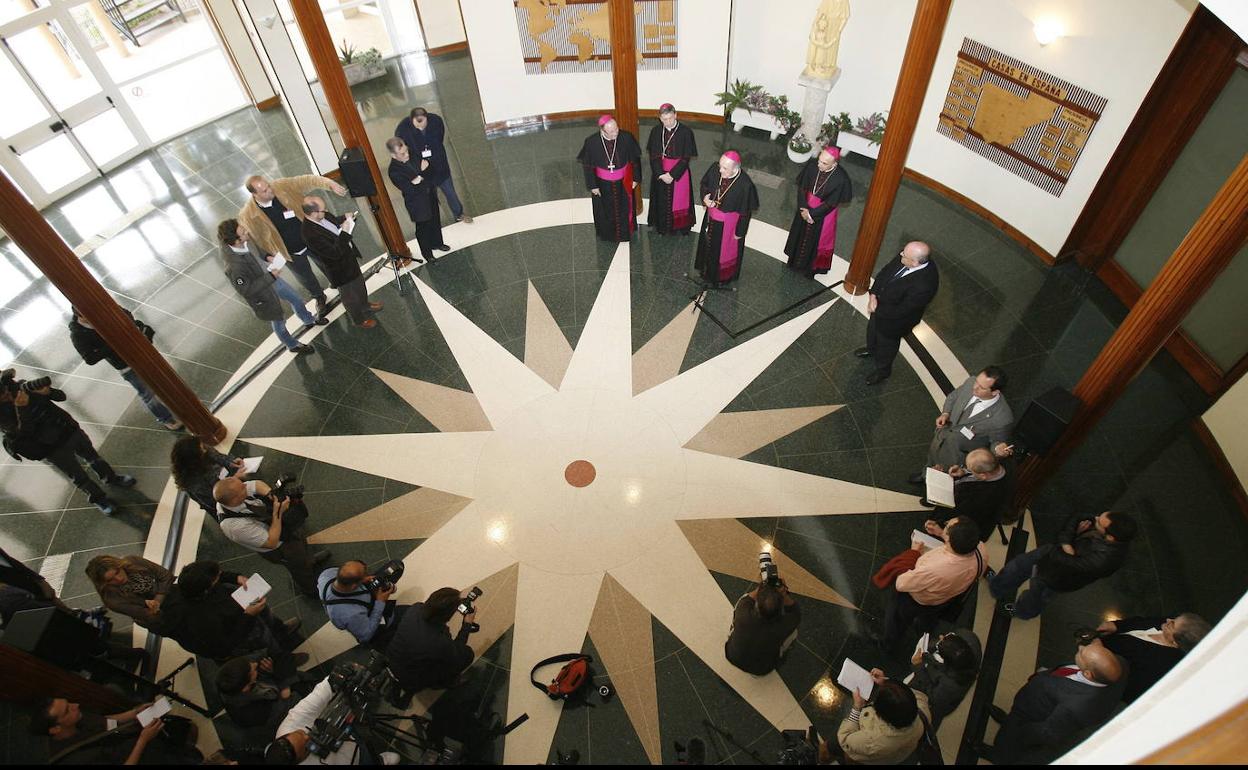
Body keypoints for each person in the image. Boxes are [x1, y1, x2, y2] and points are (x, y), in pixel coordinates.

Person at [0, 369, 134, 515]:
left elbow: (61, 396)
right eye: (2, 394)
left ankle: (110, 477)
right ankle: (99, 499)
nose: (7, 394)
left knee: (93, 457)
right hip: (51, 448)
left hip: (69, 430)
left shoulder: (22, 387)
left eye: (6, 389)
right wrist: (22, 408)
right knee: (78, 476)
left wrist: (48, 392)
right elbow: (23, 433)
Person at [984, 637, 1126, 764]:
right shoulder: (1119, 664)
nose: (1080, 647)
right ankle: (1008, 721)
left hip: (1032, 719)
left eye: (1082, 654)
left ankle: (997, 756)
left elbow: (1046, 732)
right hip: (1030, 704)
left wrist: (1021, 731)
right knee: (1011, 723)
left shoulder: (1076, 707)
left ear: (1088, 674)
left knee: (1010, 742)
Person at [987, 510, 1137, 620]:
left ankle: (1021, 611)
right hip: (1050, 554)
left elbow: (1066, 561)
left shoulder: (1106, 560)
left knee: (1036, 596)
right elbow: (1078, 515)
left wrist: (1067, 542)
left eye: (1099, 522)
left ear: (1110, 537)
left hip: (1056, 578)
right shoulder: (1103, 526)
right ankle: (997, 586)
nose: (1095, 518)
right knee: (1017, 566)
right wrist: (1068, 541)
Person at [239, 173, 349, 317]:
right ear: (254, 194)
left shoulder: (281, 186)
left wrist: (330, 184)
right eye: (264, 191)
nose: (270, 190)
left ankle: (337, 283)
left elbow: (307, 180)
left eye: (268, 186)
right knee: (305, 277)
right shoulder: (248, 215)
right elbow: (254, 240)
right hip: (289, 252)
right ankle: (319, 297)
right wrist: (267, 256)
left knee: (326, 263)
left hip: (311, 239)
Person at [158, 560, 302, 663]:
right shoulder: (201, 619)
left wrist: (235, 577)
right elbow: (227, 643)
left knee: (266, 615)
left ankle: (281, 631)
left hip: (238, 610)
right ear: (207, 590)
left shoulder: (189, 585)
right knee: (265, 641)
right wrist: (249, 615)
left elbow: (217, 575)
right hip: (242, 631)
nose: (220, 576)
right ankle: (283, 661)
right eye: (216, 580)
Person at [218, 219, 323, 354]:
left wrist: (268, 257)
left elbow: (258, 251)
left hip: (272, 279)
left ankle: (308, 319)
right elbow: (247, 290)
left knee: (296, 299)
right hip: (263, 293)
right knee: (279, 320)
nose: (247, 232)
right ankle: (292, 344)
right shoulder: (234, 267)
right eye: (243, 233)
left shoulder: (245, 241)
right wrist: (271, 276)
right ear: (236, 241)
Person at [212, 476, 329, 597]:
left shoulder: (232, 494)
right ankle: (310, 589)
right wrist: (278, 512)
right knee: (298, 567)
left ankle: (309, 560)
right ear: (234, 499)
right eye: (242, 488)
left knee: (301, 547)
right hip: (280, 548)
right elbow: (271, 541)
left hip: (284, 530)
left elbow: (256, 484)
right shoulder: (233, 526)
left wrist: (271, 494)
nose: (246, 486)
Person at [67, 307, 180, 430]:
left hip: (142, 353)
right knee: (148, 394)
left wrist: (128, 327)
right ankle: (167, 419)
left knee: (165, 379)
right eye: (88, 317)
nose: (94, 319)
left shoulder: (101, 308)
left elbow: (126, 313)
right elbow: (90, 358)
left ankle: (180, 405)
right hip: (126, 365)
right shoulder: (78, 334)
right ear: (80, 317)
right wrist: (113, 342)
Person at [884, 517, 986, 650]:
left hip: (916, 601)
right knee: (928, 618)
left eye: (947, 526)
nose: (945, 524)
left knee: (896, 620)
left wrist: (913, 553)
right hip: (945, 599)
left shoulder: (935, 569)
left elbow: (901, 583)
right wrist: (940, 533)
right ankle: (924, 629)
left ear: (949, 539)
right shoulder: (981, 549)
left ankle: (888, 645)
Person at [855, 241, 939, 384]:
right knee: (873, 331)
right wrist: (873, 295)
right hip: (880, 308)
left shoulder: (925, 284)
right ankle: (872, 349)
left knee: (887, 346)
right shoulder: (907, 255)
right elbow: (885, 273)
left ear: (915, 262)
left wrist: (876, 309)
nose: (900, 254)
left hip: (896, 322)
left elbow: (903, 310)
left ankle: (883, 371)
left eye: (904, 255)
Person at [267, 676, 400, 765]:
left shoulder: (290, 725)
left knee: (363, 747)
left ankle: (375, 758)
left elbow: (316, 698)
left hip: (349, 741)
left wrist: (335, 680)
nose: (307, 736)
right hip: (350, 760)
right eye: (306, 744)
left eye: (300, 733)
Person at [32, 696, 202, 765]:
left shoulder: (77, 719)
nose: (75, 706)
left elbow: (106, 723)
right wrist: (143, 740)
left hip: (140, 744)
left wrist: (134, 712)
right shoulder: (75, 760)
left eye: (69, 703)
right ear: (55, 729)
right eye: (68, 710)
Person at [914, 367, 1013, 481]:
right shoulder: (971, 382)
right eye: (977, 382)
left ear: (995, 392)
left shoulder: (1002, 418)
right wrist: (945, 413)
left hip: (957, 454)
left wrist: (998, 449)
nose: (975, 387)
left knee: (945, 477)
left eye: (981, 387)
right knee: (933, 457)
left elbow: (995, 444)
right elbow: (953, 397)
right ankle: (925, 474)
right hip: (943, 435)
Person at [301, 196, 382, 329]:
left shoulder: (322, 215)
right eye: (323, 210)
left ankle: (365, 305)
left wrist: (344, 217)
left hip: (348, 257)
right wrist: (345, 232)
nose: (326, 211)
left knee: (359, 284)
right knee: (349, 296)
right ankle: (359, 320)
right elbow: (334, 253)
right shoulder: (309, 233)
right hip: (338, 268)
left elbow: (332, 223)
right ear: (313, 213)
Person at [1099, 613, 1211, 703]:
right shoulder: (1168, 625)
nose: (1167, 620)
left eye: (1171, 624)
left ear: (1175, 642)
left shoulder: (1158, 664)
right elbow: (1142, 621)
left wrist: (1095, 649)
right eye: (1175, 618)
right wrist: (1117, 626)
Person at [828, 670, 931, 765]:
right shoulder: (923, 710)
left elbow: (845, 739)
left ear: (879, 714)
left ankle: (820, 757)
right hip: (898, 754)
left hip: (869, 755)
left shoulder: (872, 741)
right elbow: (909, 694)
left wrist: (857, 707)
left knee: (831, 746)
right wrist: (886, 683)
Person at [386, 587, 477, 693]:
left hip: (391, 659)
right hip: (409, 679)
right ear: (448, 616)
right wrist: (467, 624)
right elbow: (458, 650)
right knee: (467, 654)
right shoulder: (440, 642)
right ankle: (445, 682)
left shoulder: (415, 608)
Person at [394, 106, 472, 224]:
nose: (420, 127)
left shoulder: (436, 121)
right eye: (417, 125)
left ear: (427, 118)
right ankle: (434, 221)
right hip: (422, 169)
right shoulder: (403, 129)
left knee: (450, 192)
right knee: (428, 197)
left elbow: (439, 138)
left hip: (439, 165)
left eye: (423, 123)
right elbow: (402, 147)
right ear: (411, 120)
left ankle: (459, 214)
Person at [693, 151, 760, 288]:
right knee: (707, 245)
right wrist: (705, 197)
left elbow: (746, 212)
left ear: (735, 169)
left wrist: (740, 232)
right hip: (711, 217)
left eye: (725, 168)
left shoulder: (745, 185)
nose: (720, 170)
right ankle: (705, 272)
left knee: (722, 251)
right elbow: (704, 184)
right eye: (720, 166)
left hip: (728, 225)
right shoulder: (715, 168)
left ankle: (721, 277)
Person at [783, 146, 852, 276]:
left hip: (823, 214)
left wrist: (811, 214)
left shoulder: (841, 179)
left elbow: (832, 203)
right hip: (804, 208)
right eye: (819, 160)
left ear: (834, 163)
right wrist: (803, 208)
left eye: (824, 163)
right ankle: (793, 261)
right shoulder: (812, 166)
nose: (819, 164)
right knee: (800, 234)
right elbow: (802, 187)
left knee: (814, 241)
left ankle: (810, 270)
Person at [921, 447, 1014, 541]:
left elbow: (957, 516)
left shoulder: (982, 497)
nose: (968, 470)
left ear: (983, 476)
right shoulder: (1002, 464)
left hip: (963, 526)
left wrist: (940, 530)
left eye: (971, 470)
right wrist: (964, 472)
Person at [577, 114, 643, 242]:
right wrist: (592, 185)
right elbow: (588, 166)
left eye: (616, 129)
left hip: (624, 181)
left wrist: (635, 178)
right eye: (611, 131)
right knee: (605, 210)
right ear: (602, 131)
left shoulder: (626, 137)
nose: (615, 133)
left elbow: (635, 160)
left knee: (625, 207)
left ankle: (625, 232)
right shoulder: (592, 142)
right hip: (602, 184)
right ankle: (607, 234)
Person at [385, 137, 445, 263]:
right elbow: (409, 189)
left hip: (429, 194)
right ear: (393, 155)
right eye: (402, 154)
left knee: (435, 219)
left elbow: (430, 170)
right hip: (417, 202)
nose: (407, 154)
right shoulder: (394, 171)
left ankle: (437, 243)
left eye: (406, 150)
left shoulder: (411, 153)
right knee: (423, 227)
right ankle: (427, 253)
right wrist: (422, 174)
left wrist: (421, 176)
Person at [906, 628, 981, 728]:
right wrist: (927, 657)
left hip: (937, 705)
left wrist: (918, 666)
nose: (941, 636)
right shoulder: (969, 644)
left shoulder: (948, 685)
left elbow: (931, 696)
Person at [317, 560, 403, 648]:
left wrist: (363, 580)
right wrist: (380, 602)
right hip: (368, 618)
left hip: (362, 598)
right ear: (354, 586)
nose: (368, 576)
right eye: (364, 574)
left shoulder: (326, 574)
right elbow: (366, 635)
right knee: (403, 613)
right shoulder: (350, 615)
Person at [724, 579, 801, 675]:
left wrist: (762, 586)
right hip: (763, 669)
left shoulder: (742, 611)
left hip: (732, 656)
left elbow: (747, 598)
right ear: (781, 610)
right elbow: (796, 611)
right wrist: (783, 593)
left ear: (756, 605)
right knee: (794, 633)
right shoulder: (787, 624)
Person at [85, 554, 174, 631]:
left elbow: (165, 575)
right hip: (163, 620)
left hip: (172, 596)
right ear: (103, 583)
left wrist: (158, 600)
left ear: (119, 565)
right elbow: (148, 616)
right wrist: (157, 600)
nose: (119, 579)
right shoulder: (112, 598)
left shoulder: (133, 562)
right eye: (111, 580)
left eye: (117, 572)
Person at [645, 103, 697, 236]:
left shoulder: (686, 132)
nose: (667, 122)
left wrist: (672, 175)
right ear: (660, 118)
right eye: (664, 119)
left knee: (680, 201)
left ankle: (681, 227)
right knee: (660, 200)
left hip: (679, 173)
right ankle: (662, 226)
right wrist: (661, 174)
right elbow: (654, 156)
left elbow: (686, 158)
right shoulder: (656, 131)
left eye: (670, 118)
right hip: (661, 172)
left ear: (675, 115)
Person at [215, 652, 302, 730]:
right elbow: (290, 704)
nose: (255, 664)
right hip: (277, 713)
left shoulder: (230, 678)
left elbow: (267, 652)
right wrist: (282, 680)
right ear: (246, 687)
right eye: (253, 670)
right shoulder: (253, 714)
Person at [169, 436, 244, 516]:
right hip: (224, 502)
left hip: (227, 482)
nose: (205, 450)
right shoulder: (193, 482)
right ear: (194, 458)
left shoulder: (202, 449)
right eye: (202, 449)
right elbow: (216, 497)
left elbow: (217, 456)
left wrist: (231, 462)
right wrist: (234, 479)